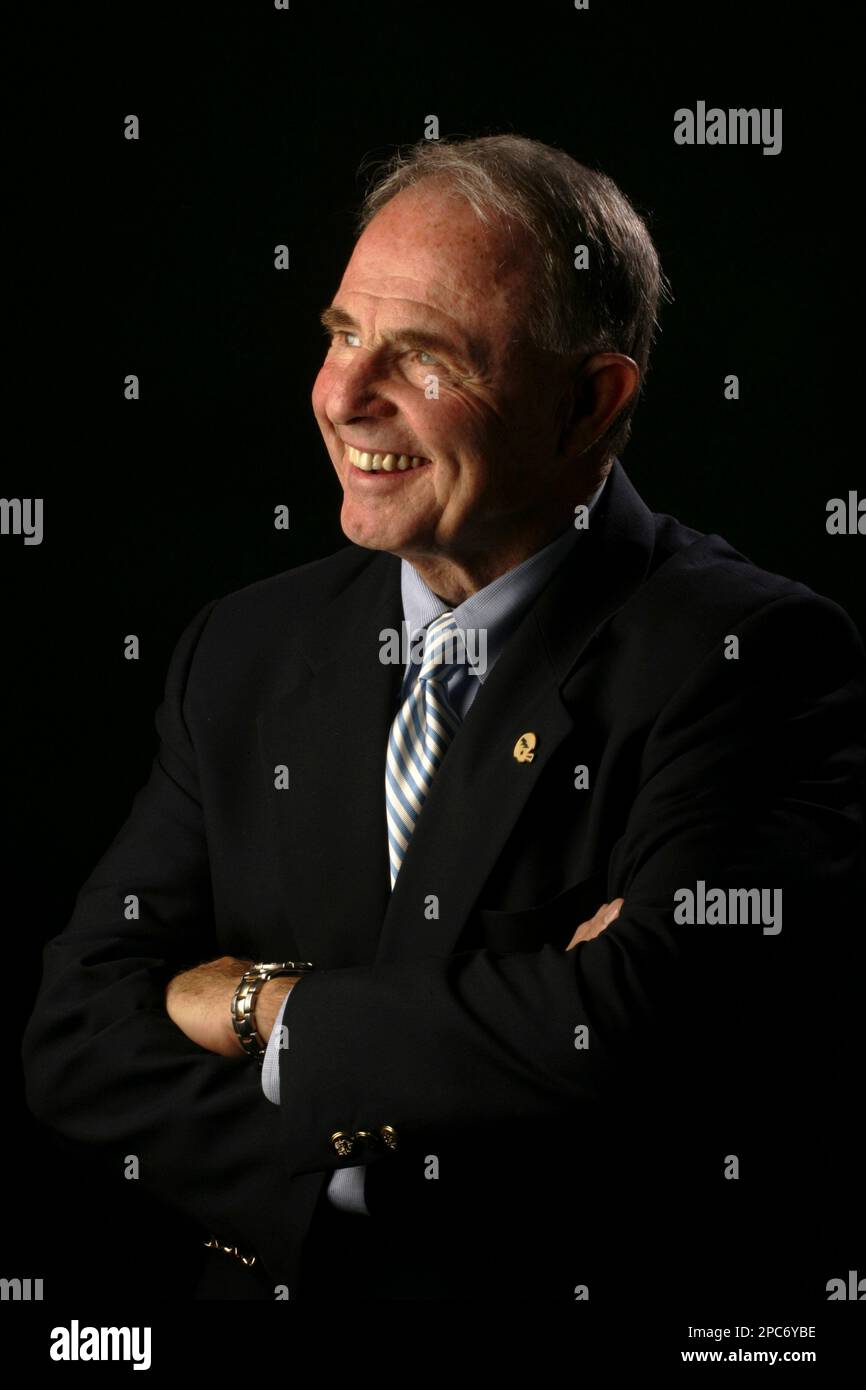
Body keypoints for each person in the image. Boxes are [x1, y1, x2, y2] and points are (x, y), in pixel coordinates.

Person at [22, 134, 866, 1303]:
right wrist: (353, 1182)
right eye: (340, 334)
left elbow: (633, 1029)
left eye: (420, 357)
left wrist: (259, 1004)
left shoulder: (746, 659)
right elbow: (75, 1031)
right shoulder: (244, 648)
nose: (340, 396)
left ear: (588, 401)